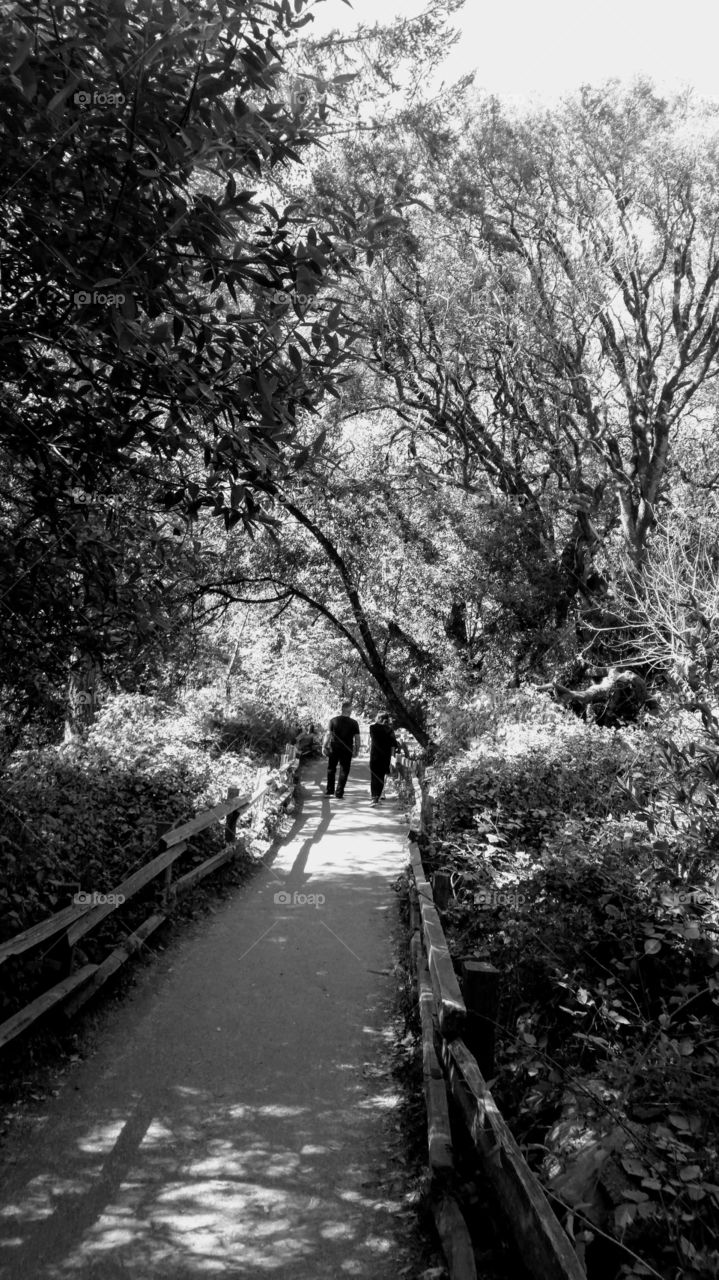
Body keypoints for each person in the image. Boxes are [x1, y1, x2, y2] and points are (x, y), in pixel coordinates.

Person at [323, 701, 361, 798]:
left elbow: (328, 734)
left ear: (342, 709)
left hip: (334, 747)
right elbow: (357, 738)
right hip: (347, 749)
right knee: (344, 770)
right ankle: (339, 793)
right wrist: (357, 750)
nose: (352, 711)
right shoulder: (354, 723)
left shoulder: (333, 720)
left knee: (331, 769)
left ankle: (329, 791)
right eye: (351, 709)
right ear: (349, 710)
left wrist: (324, 746)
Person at [368, 712, 400, 806]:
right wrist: (392, 757)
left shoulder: (372, 728)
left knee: (374, 777)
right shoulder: (389, 730)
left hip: (374, 756)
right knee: (381, 777)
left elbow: (373, 738)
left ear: (379, 718)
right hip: (385, 757)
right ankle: (377, 797)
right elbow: (393, 745)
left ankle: (374, 798)